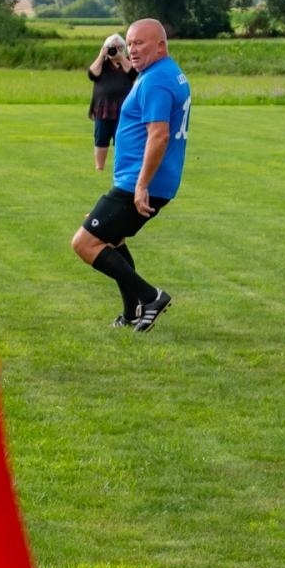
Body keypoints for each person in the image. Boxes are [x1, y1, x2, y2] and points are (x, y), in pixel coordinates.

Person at [70, 18, 189, 333]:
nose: (133, 50)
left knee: (84, 243)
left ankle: (151, 297)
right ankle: (132, 312)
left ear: (161, 45)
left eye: (141, 43)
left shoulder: (156, 81)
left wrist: (141, 185)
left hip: (141, 181)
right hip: (144, 179)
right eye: (130, 43)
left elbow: (159, 135)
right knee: (111, 237)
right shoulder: (166, 73)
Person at [86, 32, 137, 171]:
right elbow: (92, 74)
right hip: (103, 108)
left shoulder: (128, 62)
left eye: (118, 46)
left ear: (123, 48)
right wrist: (102, 55)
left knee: (121, 139)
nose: (115, 49)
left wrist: (121, 58)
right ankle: (99, 167)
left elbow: (133, 73)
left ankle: (120, 166)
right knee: (100, 139)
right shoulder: (102, 64)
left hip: (123, 107)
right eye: (111, 47)